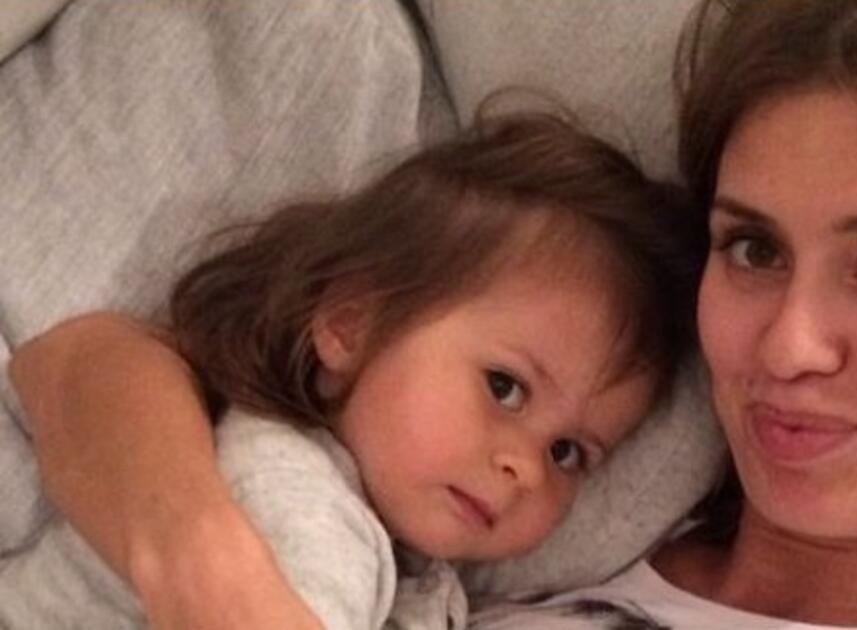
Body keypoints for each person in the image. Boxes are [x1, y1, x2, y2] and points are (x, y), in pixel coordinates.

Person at [11, 0, 857, 628]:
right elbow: (84, 359)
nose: (786, 345)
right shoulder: (604, 506)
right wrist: (212, 573)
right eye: (752, 248)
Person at [1, 112, 700, 629]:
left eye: (568, 452)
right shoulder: (305, 509)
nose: (527, 469)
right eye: (504, 387)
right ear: (349, 324)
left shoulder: (394, 552)